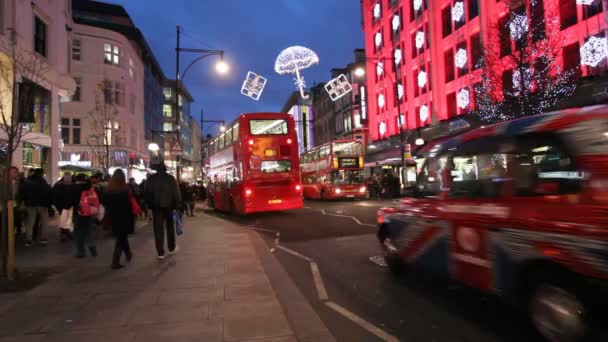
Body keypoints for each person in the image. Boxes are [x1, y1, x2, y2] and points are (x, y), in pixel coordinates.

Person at [145, 162, 181, 260]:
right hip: (169, 207)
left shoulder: (151, 179)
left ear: (157, 169)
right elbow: (176, 193)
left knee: (158, 230)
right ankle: (171, 247)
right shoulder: (171, 179)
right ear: (165, 169)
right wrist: (177, 205)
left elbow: (147, 193)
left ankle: (160, 252)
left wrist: (150, 206)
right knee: (170, 228)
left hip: (156, 208)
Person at [103, 169, 134, 269]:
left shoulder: (108, 190)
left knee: (122, 237)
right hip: (124, 216)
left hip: (113, 217)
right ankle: (115, 262)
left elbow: (105, 204)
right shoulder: (125, 189)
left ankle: (128, 253)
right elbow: (129, 205)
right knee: (121, 238)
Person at [21, 168, 51, 246]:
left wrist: (26, 201)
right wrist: (48, 204)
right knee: (44, 222)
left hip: (30, 205)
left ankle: (29, 240)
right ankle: (43, 238)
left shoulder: (28, 181)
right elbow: (48, 193)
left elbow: (23, 192)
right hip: (42, 204)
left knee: (30, 222)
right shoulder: (43, 182)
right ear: (41, 173)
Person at [74, 178, 99, 258]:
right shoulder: (93, 191)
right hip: (91, 213)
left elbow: (74, 201)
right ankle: (93, 249)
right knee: (89, 231)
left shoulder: (79, 191)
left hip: (81, 214)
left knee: (80, 232)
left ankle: (81, 251)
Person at [52, 172, 76, 241]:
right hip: (64, 206)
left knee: (66, 219)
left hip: (65, 206)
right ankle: (65, 233)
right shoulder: (61, 185)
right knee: (65, 219)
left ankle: (65, 233)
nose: (69, 179)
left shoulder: (58, 184)